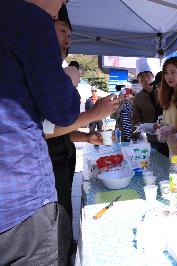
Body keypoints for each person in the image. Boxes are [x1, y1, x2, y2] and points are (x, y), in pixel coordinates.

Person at [0, 0, 79, 264]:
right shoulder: (29, 20)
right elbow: (62, 112)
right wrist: (69, 80)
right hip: (20, 201)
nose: (58, 9)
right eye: (61, 29)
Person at [158, 56, 177, 155]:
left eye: (173, 72)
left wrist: (175, 129)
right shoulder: (168, 96)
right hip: (172, 150)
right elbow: (167, 121)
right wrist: (161, 127)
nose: (169, 76)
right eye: (166, 73)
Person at [132, 58, 163, 142]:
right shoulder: (137, 99)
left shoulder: (163, 91)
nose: (145, 79)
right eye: (142, 77)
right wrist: (144, 127)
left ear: (153, 76)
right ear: (138, 80)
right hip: (152, 138)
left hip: (167, 134)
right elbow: (135, 121)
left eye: (148, 75)